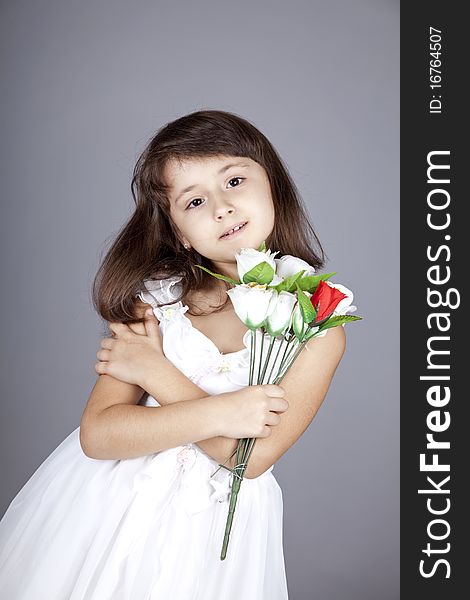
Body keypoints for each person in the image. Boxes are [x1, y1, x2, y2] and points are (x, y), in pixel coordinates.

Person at [0, 109, 346, 599]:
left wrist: (157, 374)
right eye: (196, 200)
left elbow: (249, 461)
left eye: (235, 180)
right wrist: (226, 412)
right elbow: (99, 435)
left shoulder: (319, 322)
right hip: (111, 507)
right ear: (180, 232)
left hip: (216, 531)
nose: (222, 208)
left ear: (274, 187)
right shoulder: (159, 303)